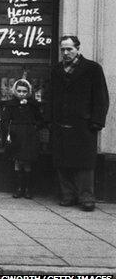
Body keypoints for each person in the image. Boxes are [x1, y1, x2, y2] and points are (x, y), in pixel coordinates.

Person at [50, 35, 109, 211]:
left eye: (69, 49)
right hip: (61, 123)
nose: (66, 53)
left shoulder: (92, 69)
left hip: (84, 124)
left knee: (85, 163)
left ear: (78, 49)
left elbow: (101, 97)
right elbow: (51, 96)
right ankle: (68, 195)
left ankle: (86, 198)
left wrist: (97, 121)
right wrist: (49, 119)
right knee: (63, 161)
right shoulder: (57, 70)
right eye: (63, 50)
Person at [0, 79, 44, 199]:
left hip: (29, 136)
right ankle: (19, 188)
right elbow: (4, 121)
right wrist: (9, 132)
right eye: (19, 91)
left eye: (24, 91)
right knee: (18, 162)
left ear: (28, 92)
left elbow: (41, 119)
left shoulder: (33, 105)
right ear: (15, 91)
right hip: (16, 136)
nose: (21, 93)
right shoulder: (11, 105)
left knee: (28, 162)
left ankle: (28, 188)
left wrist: (35, 128)